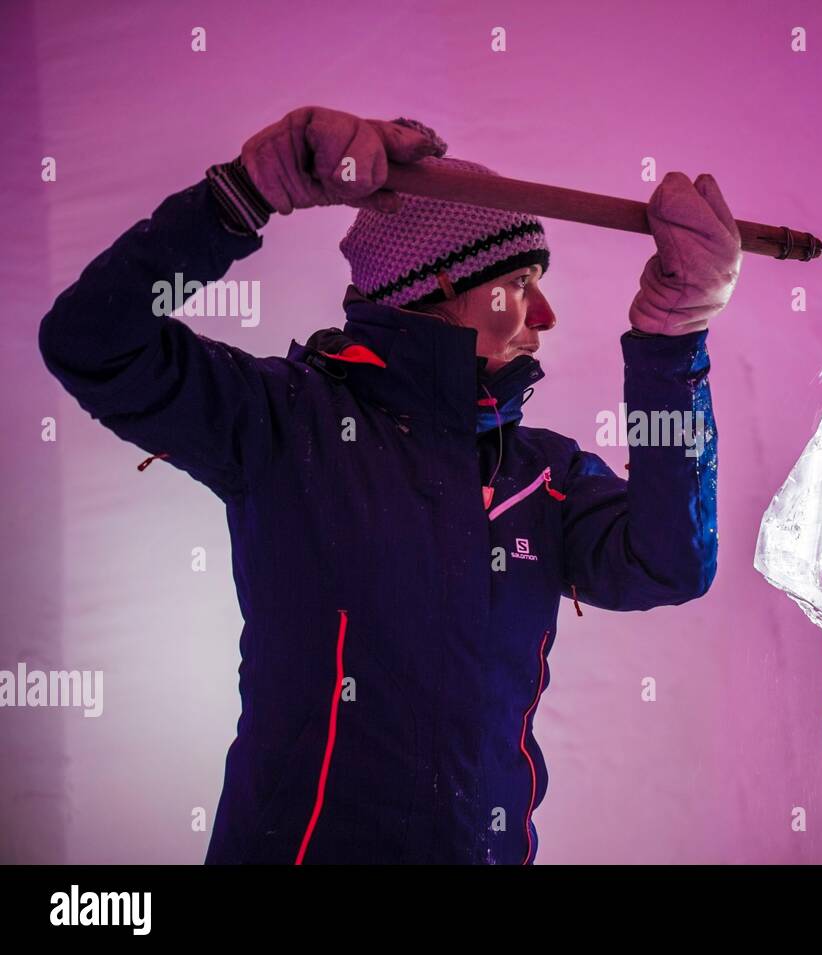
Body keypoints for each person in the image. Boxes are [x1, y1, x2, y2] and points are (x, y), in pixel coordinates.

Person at [37, 106, 740, 864]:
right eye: (518, 283)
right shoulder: (283, 422)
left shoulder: (541, 473)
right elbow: (92, 341)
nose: (546, 314)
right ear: (438, 282)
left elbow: (669, 560)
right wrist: (244, 196)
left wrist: (674, 345)